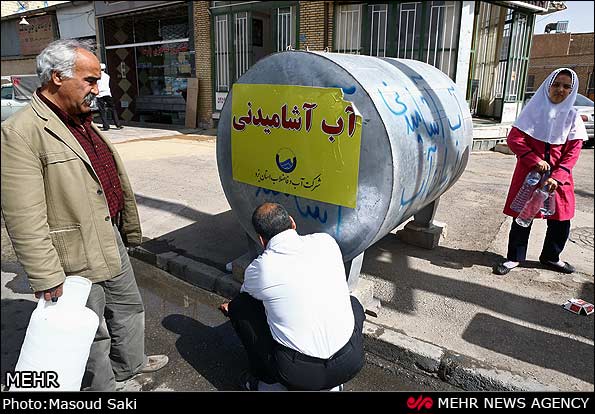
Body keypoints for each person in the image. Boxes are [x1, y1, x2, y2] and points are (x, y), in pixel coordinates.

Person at [1, 39, 168, 391]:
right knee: (91, 330)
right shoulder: (20, 132)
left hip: (109, 237)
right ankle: (104, 387)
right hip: (73, 253)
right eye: (90, 80)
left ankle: (131, 366)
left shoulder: (80, 117)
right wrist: (46, 276)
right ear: (57, 77)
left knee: (128, 308)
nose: (97, 88)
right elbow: (23, 215)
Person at [219, 202, 365, 391]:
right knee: (352, 302)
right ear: (292, 223)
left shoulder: (261, 268)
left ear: (261, 240)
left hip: (299, 374)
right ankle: (335, 381)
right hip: (351, 361)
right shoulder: (326, 242)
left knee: (240, 307)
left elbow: (248, 297)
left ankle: (263, 382)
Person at [493, 68, 587, 276]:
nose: (560, 90)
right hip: (530, 175)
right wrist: (533, 159)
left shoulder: (572, 116)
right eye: (556, 84)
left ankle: (551, 257)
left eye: (566, 86)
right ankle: (514, 258)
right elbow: (515, 139)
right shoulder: (533, 110)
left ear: (571, 90)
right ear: (548, 85)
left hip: (558, 179)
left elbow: (573, 151)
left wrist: (558, 176)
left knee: (561, 219)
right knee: (523, 216)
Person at [97, 62, 123, 131]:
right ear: (104, 69)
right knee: (113, 109)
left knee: (102, 111)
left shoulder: (97, 76)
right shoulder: (107, 76)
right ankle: (118, 124)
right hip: (107, 93)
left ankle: (106, 126)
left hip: (99, 95)